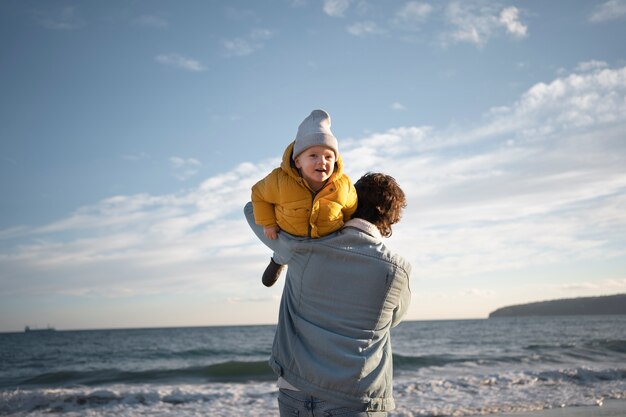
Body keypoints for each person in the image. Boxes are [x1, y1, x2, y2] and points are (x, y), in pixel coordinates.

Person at [244, 172, 411, 416]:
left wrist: (306, 193)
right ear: (392, 219)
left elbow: (251, 208)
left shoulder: (301, 245)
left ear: (348, 202)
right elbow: (392, 320)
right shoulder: (397, 269)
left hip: (294, 391)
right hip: (355, 397)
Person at [251, 109, 357, 287]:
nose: (322, 161)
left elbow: (350, 208)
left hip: (326, 238)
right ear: (298, 161)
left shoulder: (343, 185)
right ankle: (279, 260)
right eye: (313, 155)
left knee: (326, 268)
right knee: (286, 249)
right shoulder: (280, 181)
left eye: (328, 156)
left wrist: (345, 230)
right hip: (290, 234)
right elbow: (258, 194)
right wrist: (268, 223)